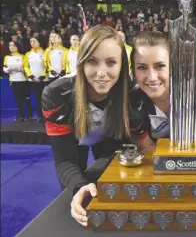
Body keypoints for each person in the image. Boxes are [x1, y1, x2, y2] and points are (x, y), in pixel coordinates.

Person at [41, 26, 131, 227]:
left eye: (111, 62)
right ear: (81, 62)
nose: (101, 73)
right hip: (74, 146)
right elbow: (64, 160)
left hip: (110, 143)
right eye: (92, 61)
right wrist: (78, 188)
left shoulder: (128, 89)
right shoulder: (55, 94)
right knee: (76, 189)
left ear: (122, 66)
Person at [129, 31, 170, 153]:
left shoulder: (194, 96)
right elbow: (149, 151)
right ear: (133, 70)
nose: (152, 77)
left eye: (160, 66)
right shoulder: (130, 105)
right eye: (142, 67)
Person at [3, 41, 33, 122]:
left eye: (13, 45)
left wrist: (20, 69)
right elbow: (5, 69)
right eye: (10, 45)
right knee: (18, 99)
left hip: (23, 80)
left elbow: (27, 67)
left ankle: (29, 115)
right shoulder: (7, 57)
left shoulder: (23, 56)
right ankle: (20, 115)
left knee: (26, 98)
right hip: (14, 81)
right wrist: (9, 69)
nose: (11, 47)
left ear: (17, 47)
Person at [23, 37, 49, 122]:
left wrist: (42, 76)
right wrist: (31, 76)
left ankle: (47, 116)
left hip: (44, 79)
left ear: (39, 42)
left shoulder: (45, 53)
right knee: (37, 98)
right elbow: (26, 66)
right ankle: (40, 116)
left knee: (45, 98)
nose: (32, 43)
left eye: (34, 41)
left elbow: (47, 65)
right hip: (33, 80)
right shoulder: (28, 54)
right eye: (31, 41)